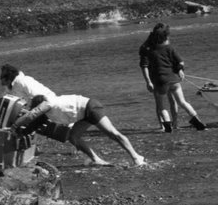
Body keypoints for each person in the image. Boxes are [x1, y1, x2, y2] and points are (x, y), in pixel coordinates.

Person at [11, 94, 146, 167]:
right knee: (73, 137)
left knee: (112, 133)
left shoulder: (49, 103)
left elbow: (31, 115)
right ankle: (96, 159)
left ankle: (136, 157)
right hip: (83, 115)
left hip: (90, 107)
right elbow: (33, 124)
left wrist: (15, 125)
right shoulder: (46, 114)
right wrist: (20, 134)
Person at [138, 23, 207, 133]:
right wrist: (179, 69)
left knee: (162, 106)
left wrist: (148, 82)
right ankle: (195, 119)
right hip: (174, 80)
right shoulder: (169, 48)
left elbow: (144, 66)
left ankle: (167, 125)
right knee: (182, 102)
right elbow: (180, 62)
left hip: (160, 81)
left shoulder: (149, 50)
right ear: (165, 37)